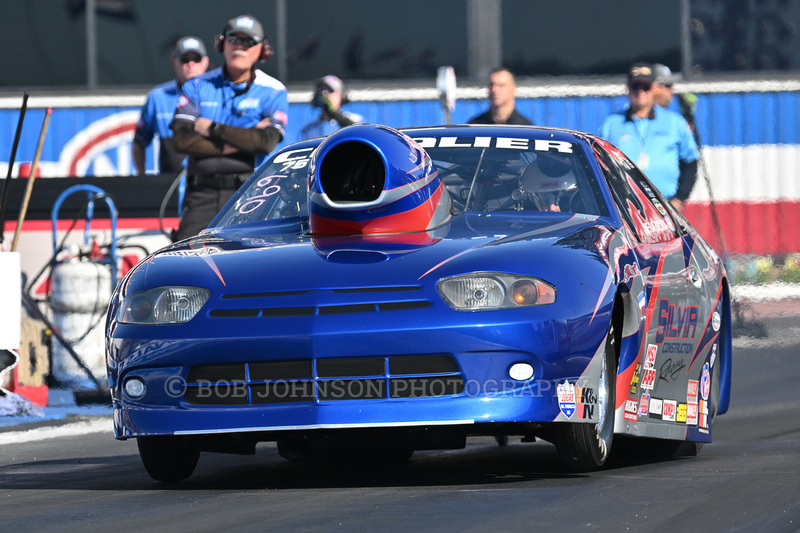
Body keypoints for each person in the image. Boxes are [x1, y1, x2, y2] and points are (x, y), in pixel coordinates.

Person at [170, 14, 288, 241]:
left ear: (262, 50)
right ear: (221, 44)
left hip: (251, 193)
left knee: (251, 264)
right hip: (202, 193)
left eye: (249, 41)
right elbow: (182, 140)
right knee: (183, 258)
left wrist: (213, 128)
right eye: (234, 39)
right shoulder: (197, 86)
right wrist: (242, 141)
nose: (240, 47)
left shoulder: (273, 90)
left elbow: (266, 141)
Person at [598, 63, 698, 212]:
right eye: (635, 86)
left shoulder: (674, 122)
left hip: (666, 207)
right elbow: (598, 163)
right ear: (628, 89)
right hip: (624, 208)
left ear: (655, 89)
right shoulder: (611, 123)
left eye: (645, 87)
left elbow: (690, 162)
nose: (640, 91)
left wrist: (679, 199)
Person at [132, 36, 209, 176]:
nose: (191, 64)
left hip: (209, 184)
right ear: (174, 62)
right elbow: (139, 141)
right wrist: (141, 176)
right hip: (170, 184)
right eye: (185, 59)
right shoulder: (158, 97)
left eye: (196, 59)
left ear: (205, 62)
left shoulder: (220, 94)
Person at [299, 75, 362, 140]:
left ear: (341, 95)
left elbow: (360, 134)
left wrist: (333, 113)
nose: (324, 93)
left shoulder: (355, 120)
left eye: (330, 90)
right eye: (320, 90)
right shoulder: (309, 130)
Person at [468, 68, 532, 125]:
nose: (494, 89)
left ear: (513, 90)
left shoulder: (524, 127)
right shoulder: (476, 126)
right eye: (491, 85)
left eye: (501, 85)